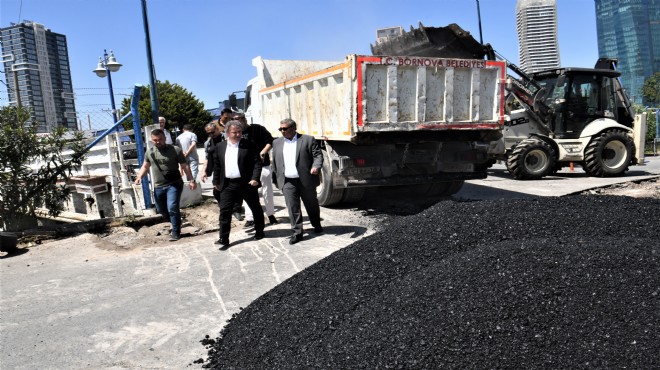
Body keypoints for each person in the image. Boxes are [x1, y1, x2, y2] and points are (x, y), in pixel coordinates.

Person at [134, 128, 197, 241]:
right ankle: (175, 221)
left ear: (165, 138)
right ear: (152, 140)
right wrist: (139, 177)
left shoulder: (175, 150)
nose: (158, 142)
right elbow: (145, 166)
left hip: (174, 183)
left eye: (160, 139)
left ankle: (176, 231)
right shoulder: (150, 152)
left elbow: (184, 165)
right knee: (161, 210)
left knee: (172, 207)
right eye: (155, 140)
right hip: (158, 186)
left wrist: (191, 180)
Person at [212, 120, 265, 247]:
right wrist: (216, 182)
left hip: (246, 183)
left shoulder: (249, 144)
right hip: (227, 184)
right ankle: (223, 238)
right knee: (225, 211)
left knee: (255, 207)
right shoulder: (220, 146)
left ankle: (259, 231)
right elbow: (217, 165)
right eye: (234, 132)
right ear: (227, 133)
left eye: (239, 132)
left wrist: (255, 178)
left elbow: (257, 163)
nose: (237, 134)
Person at [271, 118, 323, 245]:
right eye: (280, 129)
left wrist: (316, 166)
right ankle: (297, 233)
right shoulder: (277, 143)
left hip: (305, 179)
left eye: (285, 128)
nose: (282, 131)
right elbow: (275, 162)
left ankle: (316, 224)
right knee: (292, 207)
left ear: (294, 128)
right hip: (287, 181)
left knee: (311, 205)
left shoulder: (307, 140)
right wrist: (275, 179)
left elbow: (317, 155)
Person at [234, 113, 278, 228]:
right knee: (248, 193)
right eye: (235, 120)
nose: (238, 122)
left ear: (245, 119)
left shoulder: (257, 128)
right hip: (246, 169)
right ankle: (250, 218)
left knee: (267, 191)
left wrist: (263, 152)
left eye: (240, 119)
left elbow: (270, 141)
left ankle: (270, 214)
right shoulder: (236, 134)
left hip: (263, 165)